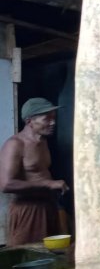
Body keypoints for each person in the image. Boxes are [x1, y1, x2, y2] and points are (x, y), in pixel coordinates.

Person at [0, 98, 68, 246]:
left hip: (47, 206)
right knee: (27, 256)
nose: (53, 122)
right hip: (27, 211)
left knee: (52, 257)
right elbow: (6, 185)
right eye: (47, 119)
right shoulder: (15, 144)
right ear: (30, 121)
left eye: (53, 118)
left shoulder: (42, 141)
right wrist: (48, 184)